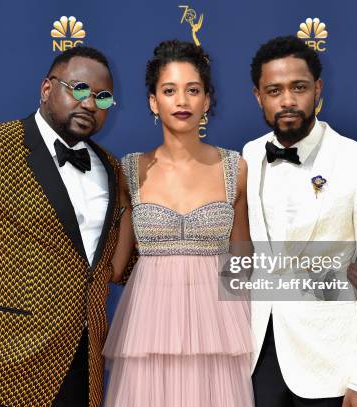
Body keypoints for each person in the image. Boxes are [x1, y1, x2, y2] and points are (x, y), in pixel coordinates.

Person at [0, 46, 134, 407]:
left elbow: (113, 268)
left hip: (83, 371)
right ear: (47, 89)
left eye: (102, 97)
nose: (89, 104)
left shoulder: (111, 168)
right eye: (78, 89)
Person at [244, 36, 357, 407]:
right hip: (257, 357)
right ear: (258, 96)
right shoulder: (250, 155)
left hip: (331, 364)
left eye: (299, 87)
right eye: (274, 90)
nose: (287, 101)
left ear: (318, 89)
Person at [103, 40, 255, 406]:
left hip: (219, 330)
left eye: (193, 90)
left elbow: (242, 264)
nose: (182, 101)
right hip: (148, 329)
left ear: (207, 100)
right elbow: (117, 264)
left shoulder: (236, 168)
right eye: (169, 90)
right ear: (154, 102)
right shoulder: (129, 170)